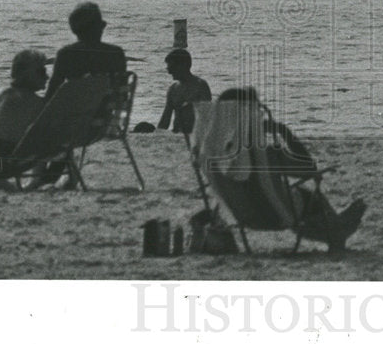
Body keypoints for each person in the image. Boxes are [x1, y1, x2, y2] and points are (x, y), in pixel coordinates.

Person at [215, 87, 366, 252]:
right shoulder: (266, 155)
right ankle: (336, 233)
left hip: (242, 214)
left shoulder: (214, 153)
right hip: (276, 214)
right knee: (306, 195)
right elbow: (308, 167)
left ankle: (334, 226)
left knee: (289, 194)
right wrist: (285, 133)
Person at [32, 2, 127, 188]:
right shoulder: (116, 54)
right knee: (70, 118)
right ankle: (60, 173)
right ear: (99, 27)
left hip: (71, 128)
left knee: (47, 120)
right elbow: (119, 95)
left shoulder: (66, 55)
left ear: (75, 30)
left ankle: (45, 174)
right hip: (105, 124)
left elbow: (51, 97)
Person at [157, 48, 212, 135]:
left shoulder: (200, 86)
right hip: (177, 133)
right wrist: (157, 134)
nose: (169, 72)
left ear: (183, 65)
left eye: (172, 67)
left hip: (196, 133)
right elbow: (165, 120)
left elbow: (207, 117)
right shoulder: (173, 89)